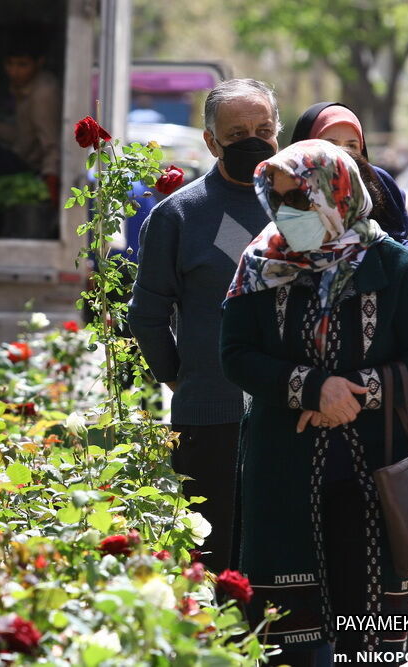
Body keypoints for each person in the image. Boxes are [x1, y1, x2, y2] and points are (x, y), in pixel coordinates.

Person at [220, 140, 408, 665]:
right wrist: (307, 386)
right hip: (283, 473)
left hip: (374, 474)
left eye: (300, 200)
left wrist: (353, 393)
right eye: (277, 201)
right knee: (291, 645)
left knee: (369, 647)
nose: (287, 215)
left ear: (334, 193)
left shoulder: (389, 263)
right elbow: (235, 354)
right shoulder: (259, 264)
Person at [127, 78, 281, 573]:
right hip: (212, 421)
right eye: (237, 134)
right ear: (211, 142)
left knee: (282, 564)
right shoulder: (179, 214)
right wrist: (184, 379)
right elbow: (147, 317)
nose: (253, 141)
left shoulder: (300, 203)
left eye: (264, 129)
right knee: (216, 567)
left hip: (293, 415)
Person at [291, 102, 408, 409]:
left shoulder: (400, 260)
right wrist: (313, 395)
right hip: (289, 437)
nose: (341, 157)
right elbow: (242, 354)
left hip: (383, 437)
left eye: (352, 146)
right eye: (329, 145)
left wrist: (343, 401)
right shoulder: (270, 257)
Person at [0, 30, 61, 207]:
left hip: (30, 168)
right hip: (20, 153)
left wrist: (50, 180)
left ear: (39, 63)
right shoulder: (23, 87)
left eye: (22, 65)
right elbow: (25, 134)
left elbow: (51, 145)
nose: (14, 71)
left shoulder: (43, 95)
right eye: (10, 64)